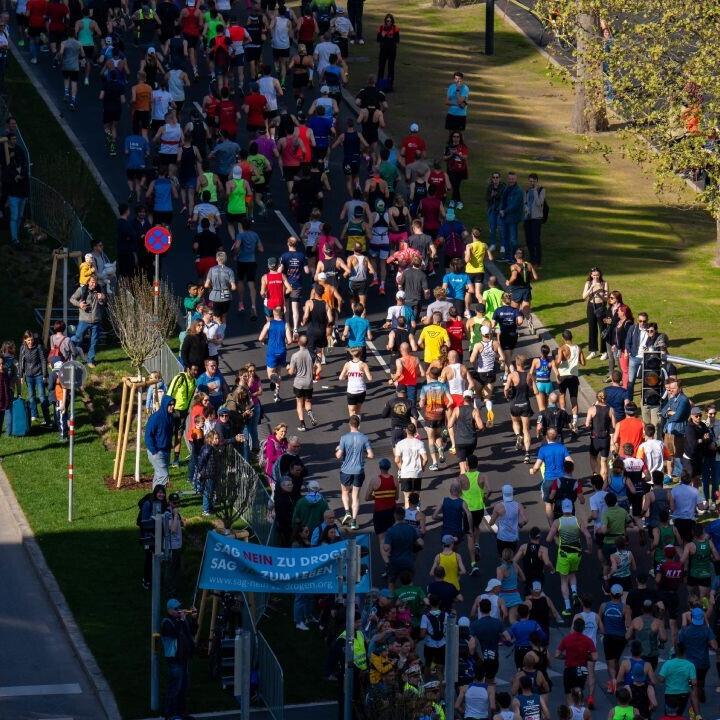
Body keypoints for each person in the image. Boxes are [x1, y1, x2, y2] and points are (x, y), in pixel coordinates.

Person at [546, 498, 592, 616]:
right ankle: (575, 593)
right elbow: (588, 536)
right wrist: (589, 549)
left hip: (564, 554)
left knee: (563, 580)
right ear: (571, 508)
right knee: (572, 573)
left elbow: (548, 539)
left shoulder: (557, 522)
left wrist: (557, 537)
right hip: (576, 553)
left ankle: (567, 607)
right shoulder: (578, 520)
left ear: (562, 509)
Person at [161, 598, 197, 720]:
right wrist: (182, 620)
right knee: (175, 686)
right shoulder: (167, 622)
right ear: (170, 610)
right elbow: (176, 634)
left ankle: (181, 713)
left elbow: (192, 631)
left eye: (179, 608)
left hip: (184, 658)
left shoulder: (180, 620)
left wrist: (193, 618)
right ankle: (170, 714)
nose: (179, 610)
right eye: (176, 609)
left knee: (183, 687)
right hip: (174, 659)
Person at [335, 414, 373, 529]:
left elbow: (338, 456)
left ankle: (347, 512)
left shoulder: (344, 438)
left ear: (349, 425)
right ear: (359, 425)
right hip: (358, 470)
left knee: (345, 492)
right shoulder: (364, 438)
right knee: (355, 496)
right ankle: (354, 522)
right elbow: (371, 455)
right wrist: (363, 454)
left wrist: (337, 450)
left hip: (346, 470)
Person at [556, 617, 597, 704]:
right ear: (583, 628)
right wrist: (586, 657)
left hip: (569, 668)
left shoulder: (566, 639)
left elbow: (557, 655)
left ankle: (571, 711)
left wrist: (566, 657)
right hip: (582, 668)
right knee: (579, 689)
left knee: (569, 692)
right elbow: (595, 657)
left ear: (574, 627)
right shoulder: (588, 640)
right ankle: (579, 709)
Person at [504, 354, 536, 464]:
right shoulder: (529, 375)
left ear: (516, 364)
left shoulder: (512, 375)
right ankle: (527, 454)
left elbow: (506, 389)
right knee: (526, 430)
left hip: (514, 404)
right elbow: (534, 391)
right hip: (525, 404)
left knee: (515, 421)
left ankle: (518, 436)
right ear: (524, 364)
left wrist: (507, 396)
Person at [69, 275, 106, 368]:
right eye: (92, 282)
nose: (94, 284)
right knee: (78, 338)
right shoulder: (81, 290)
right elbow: (72, 299)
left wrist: (102, 297)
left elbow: (103, 302)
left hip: (96, 320)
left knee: (93, 341)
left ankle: (90, 360)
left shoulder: (99, 289)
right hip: (84, 319)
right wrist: (79, 304)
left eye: (95, 282)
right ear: (88, 282)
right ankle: (67, 347)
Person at [288, 335, 319, 432]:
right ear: (307, 343)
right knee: (308, 402)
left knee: (299, 403)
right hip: (309, 383)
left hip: (298, 383)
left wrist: (288, 367)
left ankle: (302, 424)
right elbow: (319, 367)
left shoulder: (295, 356)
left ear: (298, 343)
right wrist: (313, 373)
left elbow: (291, 372)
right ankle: (310, 413)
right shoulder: (312, 355)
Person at [382, 506, 418, 590]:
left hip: (395, 562)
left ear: (394, 515)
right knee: (409, 581)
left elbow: (386, 548)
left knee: (391, 581)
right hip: (408, 561)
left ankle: (392, 599)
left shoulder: (391, 531)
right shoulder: (411, 529)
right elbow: (419, 542)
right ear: (404, 515)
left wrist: (385, 543)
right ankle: (411, 598)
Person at [499, 172, 524, 262]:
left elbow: (515, 205)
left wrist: (504, 211)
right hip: (504, 217)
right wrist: (500, 210)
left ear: (516, 179)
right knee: (504, 237)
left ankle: (513, 257)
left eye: (512, 179)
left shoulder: (519, 191)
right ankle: (506, 256)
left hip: (513, 218)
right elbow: (503, 201)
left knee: (513, 239)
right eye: (509, 179)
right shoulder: (506, 188)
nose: (511, 180)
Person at [376, 13, 399, 90]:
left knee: (391, 68)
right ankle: (379, 84)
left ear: (392, 21)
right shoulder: (381, 28)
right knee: (381, 67)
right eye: (387, 21)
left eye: (389, 21)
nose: (388, 22)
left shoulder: (395, 29)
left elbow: (397, 40)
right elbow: (378, 39)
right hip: (383, 51)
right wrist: (382, 35)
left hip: (392, 51)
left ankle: (390, 85)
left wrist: (390, 37)